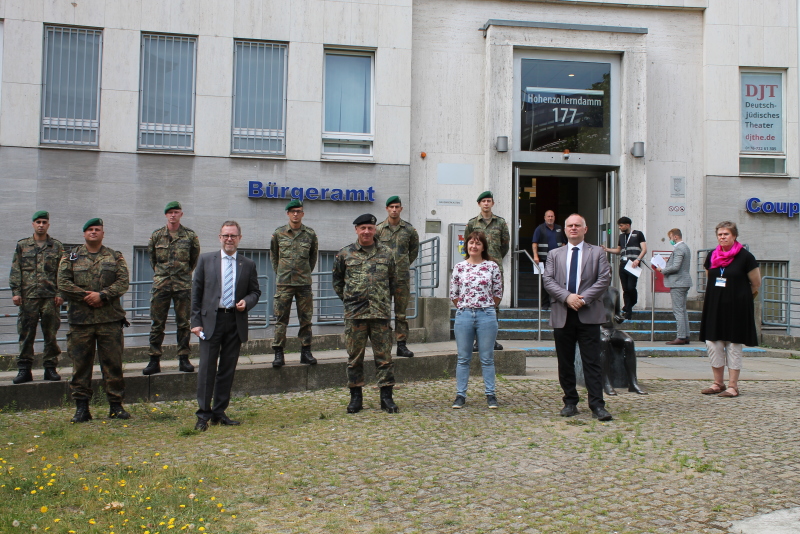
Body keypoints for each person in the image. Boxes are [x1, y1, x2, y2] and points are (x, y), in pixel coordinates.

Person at [57, 218, 131, 423]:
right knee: (80, 366)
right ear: (84, 234)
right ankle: (82, 409)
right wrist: (86, 297)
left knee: (113, 365)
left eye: (97, 229)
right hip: (81, 322)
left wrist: (103, 295)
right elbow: (62, 283)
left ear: (103, 234)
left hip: (109, 320)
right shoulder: (70, 257)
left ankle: (116, 406)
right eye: (90, 229)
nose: (94, 232)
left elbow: (123, 282)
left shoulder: (115, 256)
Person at [190, 221, 261, 431]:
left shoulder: (248, 264)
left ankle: (219, 413)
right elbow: (196, 292)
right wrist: (195, 322)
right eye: (225, 236)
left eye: (233, 236)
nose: (229, 239)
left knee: (227, 370)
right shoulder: (205, 260)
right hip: (210, 322)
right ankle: (203, 415)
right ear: (219, 237)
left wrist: (246, 302)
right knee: (206, 369)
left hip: (235, 321)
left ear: (240, 238)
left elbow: (255, 292)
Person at [543, 213, 613, 421]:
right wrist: (567, 297)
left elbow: (604, 279)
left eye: (577, 225)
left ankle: (597, 405)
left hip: (588, 313)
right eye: (570, 225)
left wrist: (582, 300)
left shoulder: (598, 252)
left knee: (592, 361)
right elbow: (548, 281)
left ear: (585, 229)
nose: (573, 228)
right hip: (563, 314)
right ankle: (570, 402)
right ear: (565, 230)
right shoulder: (555, 254)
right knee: (565, 362)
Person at [332, 214, 400, 414]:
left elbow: (393, 282)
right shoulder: (345, 254)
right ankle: (355, 398)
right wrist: (351, 300)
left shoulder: (387, 253)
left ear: (375, 230)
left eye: (370, 228)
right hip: (355, 315)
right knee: (354, 357)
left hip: (380, 314)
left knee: (384, 357)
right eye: (363, 228)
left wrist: (382, 301)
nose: (367, 232)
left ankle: (386, 397)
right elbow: (337, 283)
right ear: (356, 230)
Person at [698, 221, 760, 398]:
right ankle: (718, 383)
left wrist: (740, 297)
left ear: (734, 236)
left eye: (726, 234)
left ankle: (733, 386)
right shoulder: (712, 255)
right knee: (713, 343)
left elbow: (756, 284)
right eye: (720, 234)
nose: (722, 237)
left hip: (737, 307)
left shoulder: (745, 257)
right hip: (715, 306)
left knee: (733, 345)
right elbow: (710, 277)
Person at [144, 201, 201, 375]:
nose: (173, 215)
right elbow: (153, 260)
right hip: (161, 285)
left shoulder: (190, 236)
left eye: (176, 212)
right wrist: (163, 275)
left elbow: (193, 260)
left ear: (181, 214)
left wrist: (182, 274)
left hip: (182, 285)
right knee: (157, 324)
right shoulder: (156, 236)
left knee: (183, 324)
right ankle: (154, 360)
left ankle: (183, 358)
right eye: (170, 212)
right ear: (166, 215)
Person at [9, 211, 64, 384]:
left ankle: (50, 368)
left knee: (51, 334)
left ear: (48, 224)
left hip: (50, 298)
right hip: (28, 298)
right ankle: (24, 369)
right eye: (38, 222)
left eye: (44, 222)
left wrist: (60, 293)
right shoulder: (23, 245)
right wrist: (16, 292)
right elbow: (15, 269)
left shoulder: (56, 246)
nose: (41, 224)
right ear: (33, 224)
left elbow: (62, 272)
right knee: (26, 334)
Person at [449, 231, 503, 409]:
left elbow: (497, 293)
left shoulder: (492, 267)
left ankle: (490, 394)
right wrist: (466, 306)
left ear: (483, 247)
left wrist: (485, 307)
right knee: (463, 358)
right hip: (464, 315)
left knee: (487, 358)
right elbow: (454, 294)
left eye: (478, 243)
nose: (474, 246)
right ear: (466, 246)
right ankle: (460, 395)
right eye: (471, 243)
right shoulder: (459, 267)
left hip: (486, 315)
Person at [270, 199, 318, 368]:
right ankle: (278, 353)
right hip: (284, 284)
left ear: (302, 213)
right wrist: (282, 273)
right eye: (292, 211)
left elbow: (313, 258)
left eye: (298, 211)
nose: (295, 214)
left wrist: (303, 273)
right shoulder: (279, 233)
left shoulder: (310, 234)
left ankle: (306, 351)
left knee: (306, 319)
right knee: (281, 319)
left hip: (304, 284)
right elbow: (274, 257)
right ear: (288, 214)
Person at [465, 191, 510, 350]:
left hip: (495, 268)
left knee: (494, 304)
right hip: (476, 269)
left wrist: (494, 259)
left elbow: (505, 245)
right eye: (483, 201)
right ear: (479, 204)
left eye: (488, 201)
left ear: (493, 203)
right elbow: (468, 245)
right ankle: (478, 340)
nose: (486, 203)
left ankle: (492, 339)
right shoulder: (472, 224)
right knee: (477, 303)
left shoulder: (501, 223)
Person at [376, 195, 419, 358]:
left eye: (397, 207)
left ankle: (401, 345)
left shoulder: (409, 230)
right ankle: (385, 345)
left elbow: (413, 251)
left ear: (401, 209)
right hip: (383, 279)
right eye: (391, 207)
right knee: (383, 313)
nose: (394, 210)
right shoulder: (379, 229)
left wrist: (403, 264)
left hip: (402, 278)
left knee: (401, 314)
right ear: (387, 209)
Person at [600, 287, 647, 396]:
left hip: (611, 328)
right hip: (597, 329)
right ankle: (606, 382)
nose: (607, 277)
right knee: (604, 341)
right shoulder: (592, 290)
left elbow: (616, 312)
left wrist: (618, 317)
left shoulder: (614, 292)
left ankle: (633, 382)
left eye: (609, 275)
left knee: (628, 341)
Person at [602, 217, 646, 319]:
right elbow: (618, 250)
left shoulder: (638, 234)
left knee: (631, 287)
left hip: (633, 264)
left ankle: (631, 303)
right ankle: (628, 311)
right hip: (623, 264)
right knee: (625, 288)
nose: (620, 227)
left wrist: (638, 260)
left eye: (621, 225)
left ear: (628, 225)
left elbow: (644, 249)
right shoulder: (621, 237)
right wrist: (607, 249)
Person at [653, 228, 692, 345]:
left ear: (675, 237)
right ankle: (686, 335)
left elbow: (676, 267)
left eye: (670, 237)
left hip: (678, 282)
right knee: (683, 310)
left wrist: (662, 269)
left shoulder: (679, 248)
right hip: (683, 281)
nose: (670, 240)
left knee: (678, 310)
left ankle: (680, 336)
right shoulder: (685, 247)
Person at [531, 209, 568, 309]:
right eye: (548, 216)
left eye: (552, 216)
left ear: (554, 217)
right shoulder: (540, 228)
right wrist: (535, 256)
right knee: (545, 282)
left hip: (559, 260)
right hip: (544, 260)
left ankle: (557, 303)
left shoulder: (559, 228)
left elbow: (563, 243)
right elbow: (535, 243)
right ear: (545, 218)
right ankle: (545, 304)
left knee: (559, 281)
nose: (550, 218)